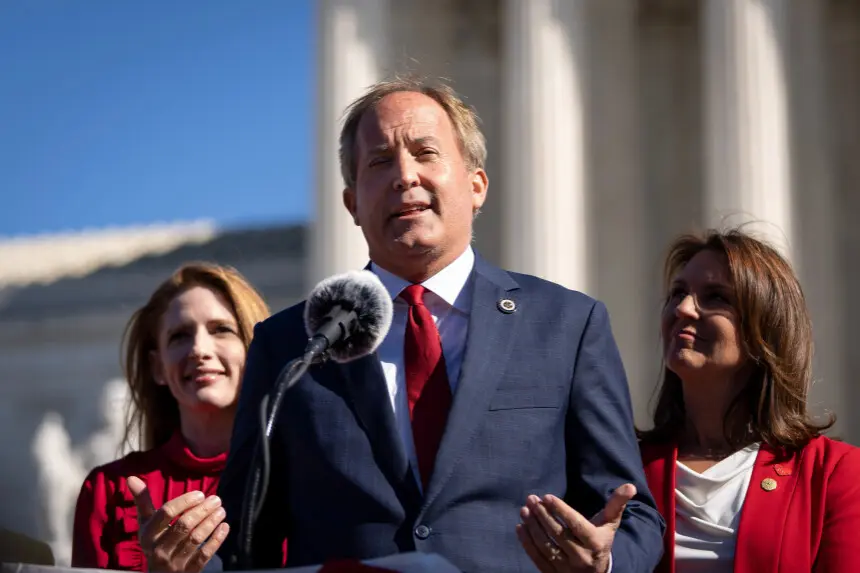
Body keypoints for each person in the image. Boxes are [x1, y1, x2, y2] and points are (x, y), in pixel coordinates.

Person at [132, 77, 665, 573]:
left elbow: (633, 514)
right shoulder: (288, 347)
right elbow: (251, 544)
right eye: (380, 162)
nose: (404, 175)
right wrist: (189, 562)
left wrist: (607, 560)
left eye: (426, 153)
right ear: (352, 204)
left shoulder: (566, 325)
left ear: (477, 185)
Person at [518, 229, 860, 572]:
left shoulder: (835, 474)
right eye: (677, 293)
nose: (683, 308)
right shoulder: (625, 471)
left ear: (765, 329)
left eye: (716, 297)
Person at [71, 262, 270, 571]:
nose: (199, 349)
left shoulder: (299, 476)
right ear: (157, 368)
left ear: (255, 350)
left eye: (222, 330)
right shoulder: (108, 489)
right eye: (179, 336)